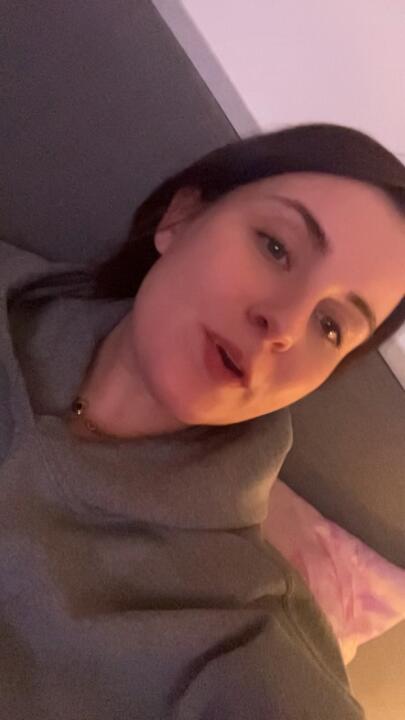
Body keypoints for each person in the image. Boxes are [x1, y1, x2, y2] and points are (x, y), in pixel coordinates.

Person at [0, 123, 404, 719]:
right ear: (181, 218)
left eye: (330, 326)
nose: (285, 324)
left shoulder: (241, 634)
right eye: (276, 247)